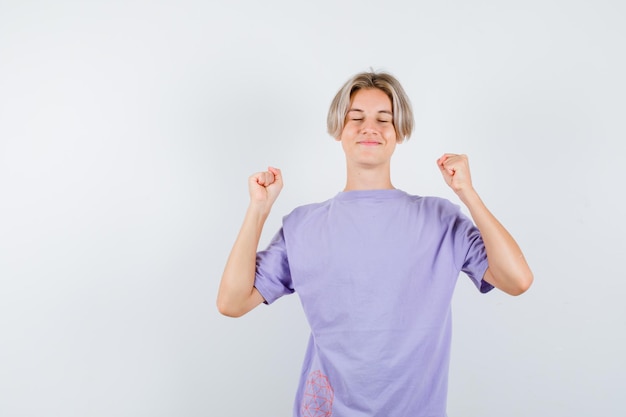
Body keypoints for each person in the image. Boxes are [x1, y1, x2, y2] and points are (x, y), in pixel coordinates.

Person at [217, 71, 533, 417]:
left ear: (400, 132)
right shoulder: (303, 226)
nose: (370, 128)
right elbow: (232, 302)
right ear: (339, 128)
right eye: (357, 118)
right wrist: (258, 210)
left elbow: (517, 280)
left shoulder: (440, 220)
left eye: (384, 119)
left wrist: (467, 194)